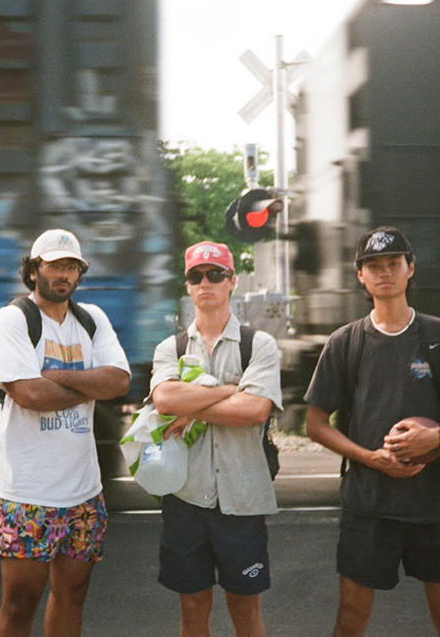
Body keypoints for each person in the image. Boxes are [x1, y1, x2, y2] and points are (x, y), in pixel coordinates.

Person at [304, 226, 440, 637]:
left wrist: (434, 439)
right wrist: (370, 459)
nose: (385, 272)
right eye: (374, 266)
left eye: (393, 264)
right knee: (351, 616)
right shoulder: (345, 343)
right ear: (360, 276)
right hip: (369, 504)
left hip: (433, 504)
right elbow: (316, 423)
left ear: (410, 270)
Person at [0, 228, 131, 637]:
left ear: (79, 273)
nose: (62, 274)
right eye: (53, 265)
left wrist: (58, 377)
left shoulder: (91, 320)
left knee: (72, 594)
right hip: (28, 492)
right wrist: (88, 385)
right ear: (34, 270)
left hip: (83, 492)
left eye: (70, 266)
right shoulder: (12, 319)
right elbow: (29, 394)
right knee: (19, 604)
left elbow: (119, 383)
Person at [149, 241, 283, 637]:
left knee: (245, 608)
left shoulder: (257, 344)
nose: (205, 282)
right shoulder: (169, 348)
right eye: (196, 276)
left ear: (232, 283)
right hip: (185, 496)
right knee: (193, 609)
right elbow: (164, 399)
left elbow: (255, 411)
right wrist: (230, 390)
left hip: (242, 498)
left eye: (215, 274)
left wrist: (191, 409)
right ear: (188, 287)